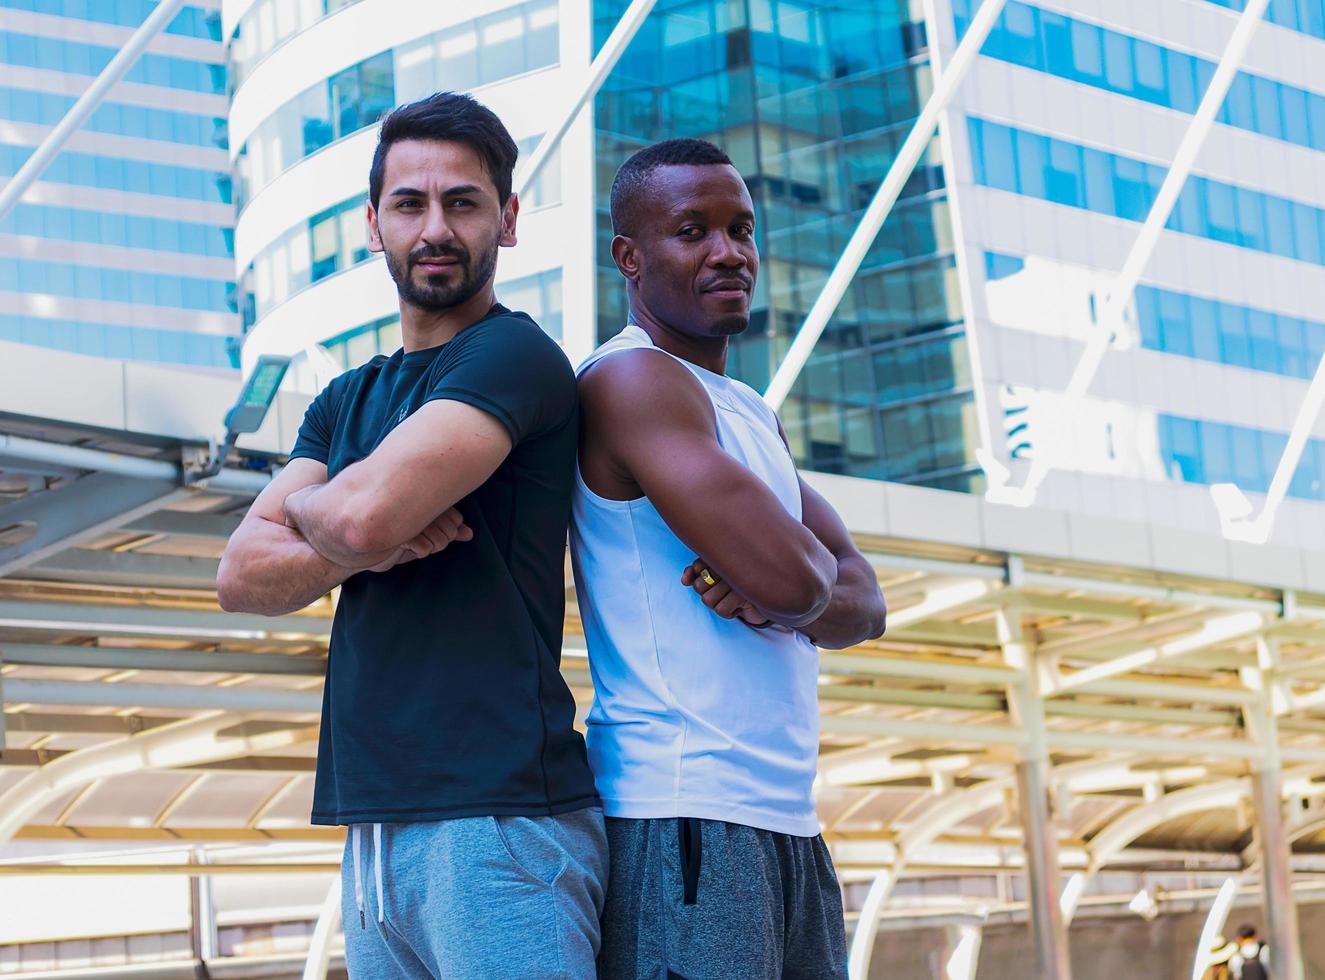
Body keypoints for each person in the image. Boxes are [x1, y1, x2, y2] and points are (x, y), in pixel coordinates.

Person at [217, 92, 604, 979]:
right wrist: (355, 535)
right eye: (409, 204)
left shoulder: (513, 358)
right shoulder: (344, 397)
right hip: (374, 833)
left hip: (500, 825)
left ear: (506, 221)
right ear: (371, 224)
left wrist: (332, 515)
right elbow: (241, 575)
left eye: (462, 203)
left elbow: (358, 515)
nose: (435, 227)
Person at [570, 137, 888, 979]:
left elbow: (862, 601)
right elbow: (801, 576)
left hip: (786, 819)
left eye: (741, 229)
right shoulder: (630, 381)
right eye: (692, 231)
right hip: (682, 814)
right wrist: (791, 588)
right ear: (629, 258)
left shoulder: (747, 408)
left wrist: (791, 589)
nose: (729, 252)